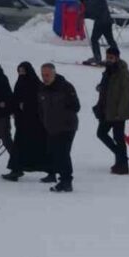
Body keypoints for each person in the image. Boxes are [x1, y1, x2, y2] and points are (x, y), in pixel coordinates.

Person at [3, 61, 52, 181]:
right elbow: (15, 98)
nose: (21, 74)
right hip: (22, 123)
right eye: (20, 71)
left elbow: (41, 102)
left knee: (41, 148)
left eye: (23, 71)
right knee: (19, 147)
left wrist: (26, 106)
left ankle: (51, 172)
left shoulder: (36, 84)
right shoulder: (20, 83)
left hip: (36, 123)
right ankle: (16, 170)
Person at [38, 63, 80, 192]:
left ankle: (66, 181)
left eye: (47, 75)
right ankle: (58, 176)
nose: (45, 78)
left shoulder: (66, 87)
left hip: (66, 126)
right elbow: (41, 108)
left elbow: (76, 106)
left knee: (63, 154)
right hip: (51, 127)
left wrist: (63, 114)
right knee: (55, 153)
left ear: (54, 74)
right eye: (43, 75)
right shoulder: (42, 89)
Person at [91, 47, 129, 175]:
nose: (109, 60)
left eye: (111, 58)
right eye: (108, 57)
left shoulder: (123, 72)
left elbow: (125, 94)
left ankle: (122, 163)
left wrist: (120, 112)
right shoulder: (108, 71)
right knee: (102, 133)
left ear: (117, 58)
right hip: (106, 109)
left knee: (118, 137)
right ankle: (121, 159)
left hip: (117, 111)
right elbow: (107, 86)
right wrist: (100, 87)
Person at [80, 0, 116, 67]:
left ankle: (97, 57)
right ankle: (115, 57)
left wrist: (83, 14)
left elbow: (90, 11)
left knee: (94, 39)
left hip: (100, 22)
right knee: (110, 40)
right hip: (107, 20)